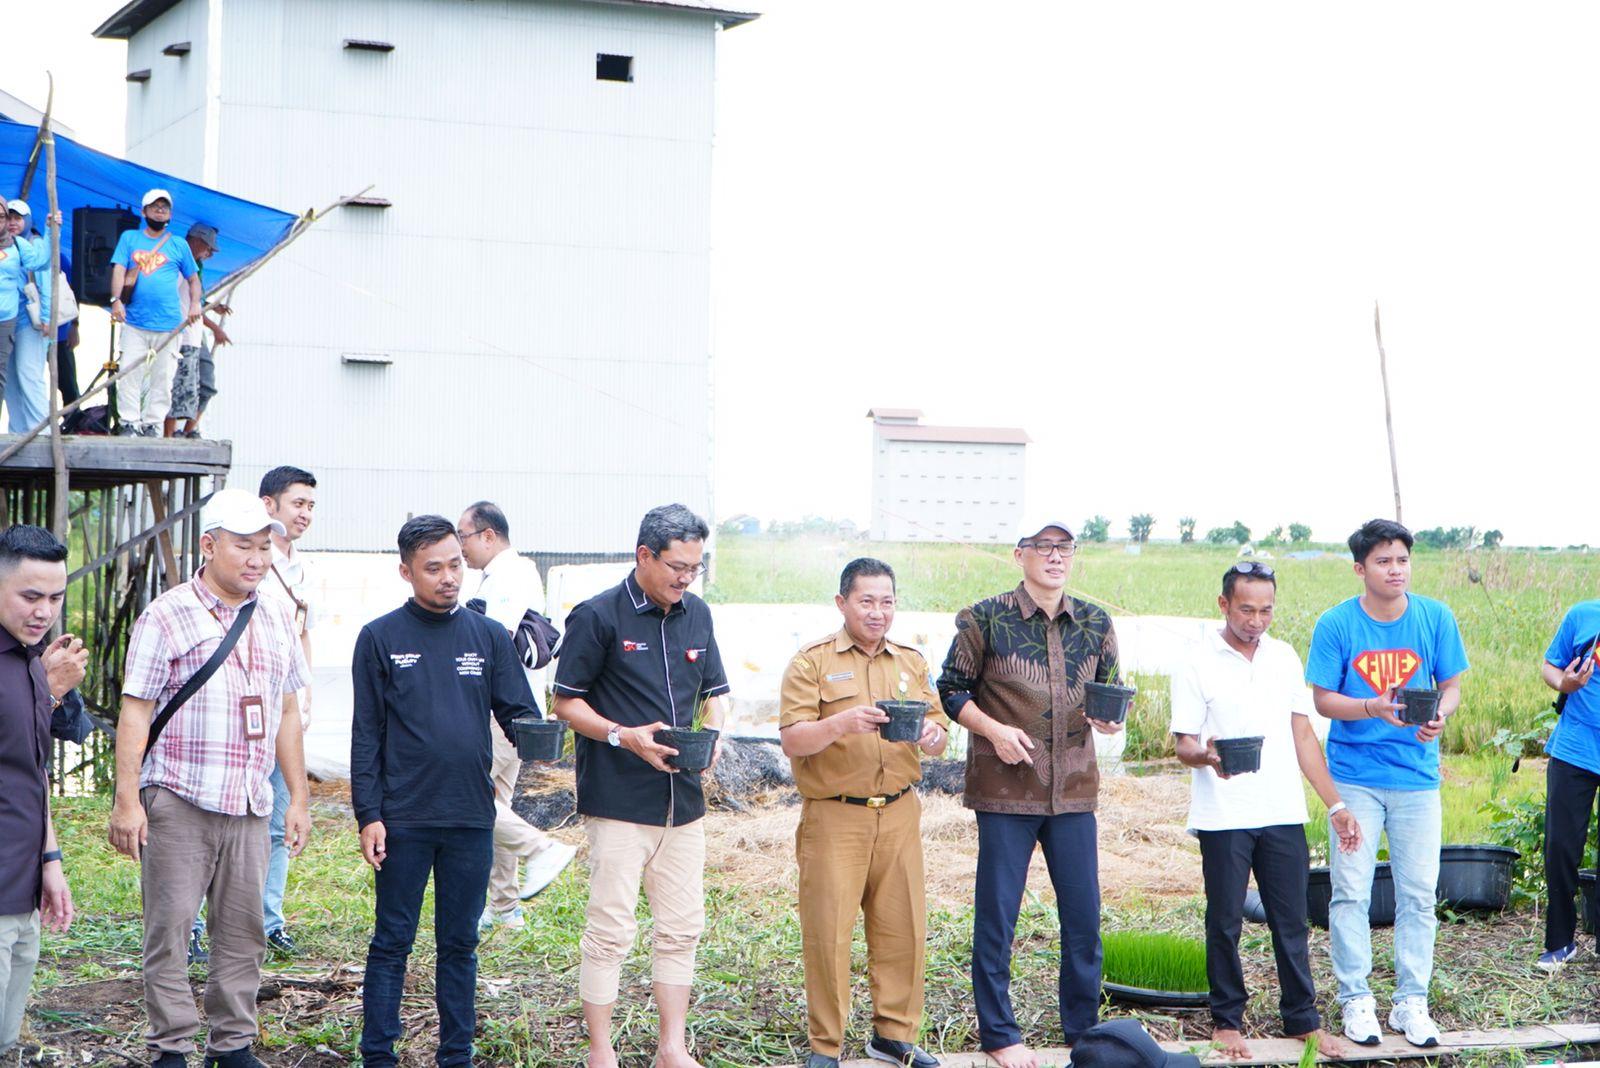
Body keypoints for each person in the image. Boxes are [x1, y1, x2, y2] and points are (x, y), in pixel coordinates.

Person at [108, 489, 312, 1068]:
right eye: (243, 546)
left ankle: (232, 1044)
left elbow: (288, 710)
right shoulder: (168, 614)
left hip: (250, 802)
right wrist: (128, 801)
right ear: (209, 545)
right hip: (179, 797)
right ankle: (171, 1045)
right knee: (169, 930)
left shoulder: (273, 614)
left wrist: (296, 796)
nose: (256, 558)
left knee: (244, 932)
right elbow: (136, 710)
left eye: (264, 546)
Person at [350, 515, 540, 1068]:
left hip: (469, 818)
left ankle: (457, 1054)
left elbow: (518, 712)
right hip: (403, 818)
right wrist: (369, 814)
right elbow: (367, 735)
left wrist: (546, 727)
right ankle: (377, 1055)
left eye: (455, 564)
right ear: (406, 571)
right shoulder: (380, 637)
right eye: (433, 568)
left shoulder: (486, 636)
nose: (448, 577)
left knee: (460, 944)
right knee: (392, 942)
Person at [936, 517, 1123, 1068]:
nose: (1055, 556)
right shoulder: (984, 617)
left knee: (1084, 918)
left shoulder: (1095, 621)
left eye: (1064, 548)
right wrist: (993, 730)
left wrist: (1110, 720)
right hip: (1005, 791)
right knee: (998, 916)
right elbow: (950, 691)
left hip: (1074, 791)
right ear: (1019, 556)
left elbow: (1109, 692)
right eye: (1043, 547)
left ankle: (1084, 1033)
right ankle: (998, 1034)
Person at [551, 503, 730, 1068]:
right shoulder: (598, 616)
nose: (685, 578)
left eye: (695, 568)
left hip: (685, 805)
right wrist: (622, 735)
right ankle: (600, 1051)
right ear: (644, 556)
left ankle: (671, 1047)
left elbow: (718, 692)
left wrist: (717, 733)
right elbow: (565, 703)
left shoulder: (697, 614)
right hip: (620, 802)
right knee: (611, 929)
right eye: (677, 566)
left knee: (681, 929)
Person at [1170, 561, 1361, 1062]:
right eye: (1247, 609)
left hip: (1281, 810)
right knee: (1225, 919)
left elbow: (1302, 736)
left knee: (1291, 919)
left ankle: (1303, 1020)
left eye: (1267, 610)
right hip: (1223, 813)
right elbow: (1184, 744)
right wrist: (1207, 755)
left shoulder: (1284, 657)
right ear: (1224, 605)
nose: (1257, 620)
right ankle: (1226, 1020)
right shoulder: (1196, 659)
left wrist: (1335, 803)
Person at [779, 557, 948, 1068]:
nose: (878, 612)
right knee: (828, 932)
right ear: (843, 603)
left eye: (887, 601)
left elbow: (939, 733)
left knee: (903, 928)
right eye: (866, 601)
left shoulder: (911, 662)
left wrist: (933, 735)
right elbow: (792, 739)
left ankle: (893, 1035)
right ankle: (825, 1045)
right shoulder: (812, 661)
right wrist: (841, 723)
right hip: (835, 815)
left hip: (899, 812)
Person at [1306, 518, 1468, 1049]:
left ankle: (1410, 1002)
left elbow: (1451, 686)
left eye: (1402, 559)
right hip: (1355, 777)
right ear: (1361, 569)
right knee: (1350, 890)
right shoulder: (1337, 624)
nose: (1395, 569)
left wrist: (1439, 715)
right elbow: (1323, 699)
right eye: (1383, 561)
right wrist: (1373, 706)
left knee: (1419, 893)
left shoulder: (1434, 617)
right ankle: (1356, 999)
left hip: (1417, 779)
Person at [456, 500, 577, 929]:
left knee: (469, 794)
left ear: (488, 535)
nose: (460, 549)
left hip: (498, 708)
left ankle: (542, 849)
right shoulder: (500, 576)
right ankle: (505, 908)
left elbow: (491, 638)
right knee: (496, 803)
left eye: (463, 537)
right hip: (505, 709)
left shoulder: (511, 574)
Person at [0, 525, 83, 1056]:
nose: (44, 610)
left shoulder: (32, 665)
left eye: (55, 597)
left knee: (7, 1040)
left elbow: (33, 773)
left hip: (22, 888)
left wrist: (49, 859)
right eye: (30, 596)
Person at [1536, 599, 1600, 969]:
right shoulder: (1582, 615)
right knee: (1560, 847)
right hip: (1575, 748)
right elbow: (1549, 665)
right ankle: (1560, 942)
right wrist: (1566, 682)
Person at [108, 189, 200, 438]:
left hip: (169, 324)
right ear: (144, 211)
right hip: (135, 321)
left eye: (164, 207)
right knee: (128, 372)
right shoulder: (129, 238)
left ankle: (152, 423)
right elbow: (118, 269)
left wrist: (194, 305)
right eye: (155, 206)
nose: (160, 211)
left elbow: (193, 279)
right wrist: (116, 301)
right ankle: (129, 422)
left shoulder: (178, 243)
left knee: (163, 376)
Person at [167, 224, 231, 439]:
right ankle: (170, 434)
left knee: (205, 385)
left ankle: (188, 431)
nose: (210, 254)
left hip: (195, 336)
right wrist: (216, 329)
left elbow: (196, 303)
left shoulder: (197, 269)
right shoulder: (178, 264)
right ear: (196, 241)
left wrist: (212, 306)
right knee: (178, 386)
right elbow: (183, 304)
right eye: (208, 248)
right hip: (180, 335)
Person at [0, 201, 48, 426]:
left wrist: (47, 316)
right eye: (9, 218)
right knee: (8, 380)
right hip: (8, 318)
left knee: (29, 375)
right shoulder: (9, 244)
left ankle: (40, 431)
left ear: (27, 220)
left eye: (17, 218)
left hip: (27, 319)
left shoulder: (28, 245)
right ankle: (16, 431)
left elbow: (46, 274)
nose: (12, 223)